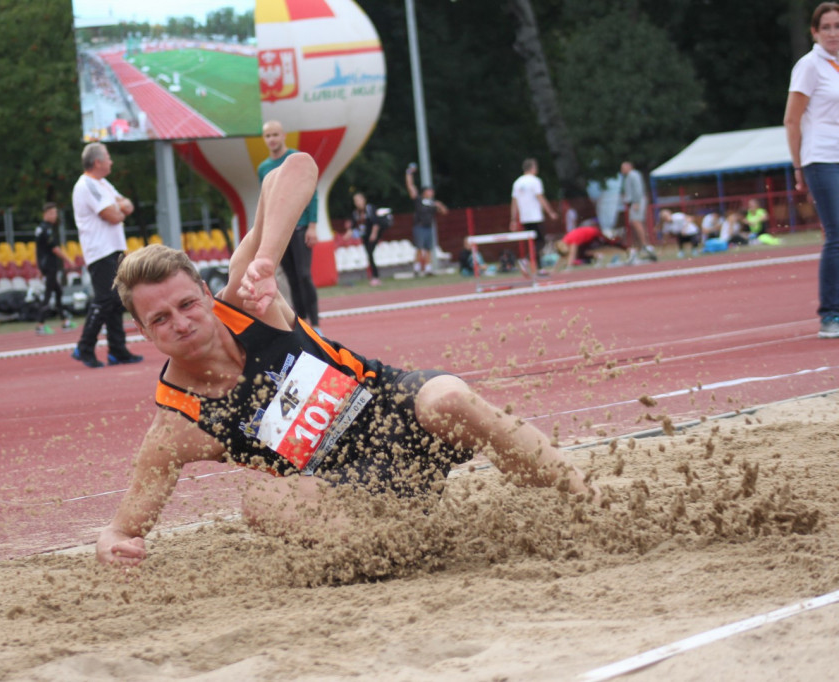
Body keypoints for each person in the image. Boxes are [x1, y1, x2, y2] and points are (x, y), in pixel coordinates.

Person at [95, 152, 597, 567]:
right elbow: (123, 526)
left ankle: (584, 500)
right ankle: (398, 553)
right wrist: (113, 544)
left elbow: (297, 169)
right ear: (141, 332)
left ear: (206, 295)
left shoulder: (249, 300)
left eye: (186, 305)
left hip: (397, 414)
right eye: (160, 319)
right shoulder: (178, 424)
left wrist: (267, 258)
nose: (181, 323)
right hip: (354, 489)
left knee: (449, 396)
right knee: (260, 503)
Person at [786, 2, 839, 339]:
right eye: (828, 28)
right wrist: (797, 166)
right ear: (815, 32)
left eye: (838, 26)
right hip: (821, 158)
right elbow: (792, 119)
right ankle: (830, 315)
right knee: (837, 236)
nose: (834, 33)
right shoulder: (809, 66)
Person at [71, 142, 143, 367]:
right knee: (104, 300)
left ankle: (117, 350)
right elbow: (113, 215)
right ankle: (84, 347)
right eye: (108, 157)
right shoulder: (87, 185)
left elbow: (127, 206)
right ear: (97, 162)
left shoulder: (103, 184)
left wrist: (119, 208)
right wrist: (119, 209)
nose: (112, 161)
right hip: (100, 250)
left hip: (113, 248)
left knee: (117, 300)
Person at [257, 120, 320, 330]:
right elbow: (268, 201)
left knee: (304, 274)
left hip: (301, 227)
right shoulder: (264, 168)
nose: (272, 139)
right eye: (268, 136)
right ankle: (302, 325)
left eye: (275, 134)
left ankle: (316, 322)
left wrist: (312, 225)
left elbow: (312, 194)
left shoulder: (295, 160)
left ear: (284, 135)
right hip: (280, 230)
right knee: (292, 279)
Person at [34, 202, 76, 335]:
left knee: (58, 292)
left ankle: (64, 321)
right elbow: (54, 248)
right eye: (52, 213)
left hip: (45, 265)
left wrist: (39, 268)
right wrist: (68, 259)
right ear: (45, 214)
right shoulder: (47, 229)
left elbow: (38, 250)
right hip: (50, 265)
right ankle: (40, 324)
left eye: (55, 213)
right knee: (48, 293)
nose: (55, 215)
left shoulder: (39, 229)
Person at [405, 163, 448, 276]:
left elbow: (444, 212)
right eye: (429, 190)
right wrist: (409, 173)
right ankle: (417, 268)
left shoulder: (433, 203)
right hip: (419, 226)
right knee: (419, 247)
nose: (431, 192)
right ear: (424, 192)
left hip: (429, 227)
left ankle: (428, 269)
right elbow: (410, 187)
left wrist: (439, 205)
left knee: (428, 248)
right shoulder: (419, 200)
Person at [510, 158, 558, 256]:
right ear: (533, 168)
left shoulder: (517, 182)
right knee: (540, 242)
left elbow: (514, 202)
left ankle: (536, 266)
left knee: (531, 242)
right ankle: (529, 260)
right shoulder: (535, 181)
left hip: (524, 218)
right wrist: (551, 212)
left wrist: (513, 219)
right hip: (536, 216)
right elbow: (540, 198)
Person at [552, 222, 628, 273]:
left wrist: (568, 267)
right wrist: (555, 269)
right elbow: (562, 256)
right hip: (589, 234)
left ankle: (626, 249)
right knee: (582, 253)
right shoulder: (565, 240)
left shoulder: (572, 240)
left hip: (594, 233)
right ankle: (599, 256)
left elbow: (572, 254)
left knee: (609, 243)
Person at [620, 161, 657, 262]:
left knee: (636, 221)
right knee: (635, 222)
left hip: (637, 201)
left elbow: (638, 188)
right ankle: (642, 244)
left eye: (623, 167)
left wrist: (636, 202)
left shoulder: (633, 175)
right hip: (636, 201)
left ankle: (645, 244)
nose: (621, 170)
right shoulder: (629, 176)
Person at [347, 192, 382, 286]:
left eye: (359, 200)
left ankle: (376, 276)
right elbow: (352, 226)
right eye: (356, 201)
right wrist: (346, 235)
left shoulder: (370, 209)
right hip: (365, 236)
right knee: (369, 255)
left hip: (372, 235)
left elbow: (376, 222)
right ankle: (373, 275)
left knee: (370, 254)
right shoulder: (355, 213)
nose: (358, 202)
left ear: (364, 200)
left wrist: (374, 234)